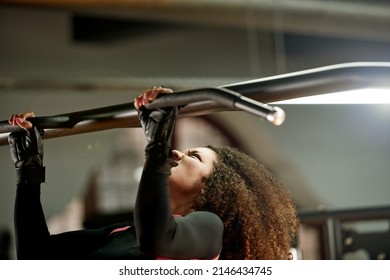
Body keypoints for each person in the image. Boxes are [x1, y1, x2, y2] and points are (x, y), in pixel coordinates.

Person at [8, 86, 299, 260]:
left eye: (193, 156)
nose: (177, 152)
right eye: (182, 150)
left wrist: (157, 142)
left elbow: (158, 239)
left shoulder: (211, 228)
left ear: (211, 189)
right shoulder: (126, 231)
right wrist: (28, 170)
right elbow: (36, 255)